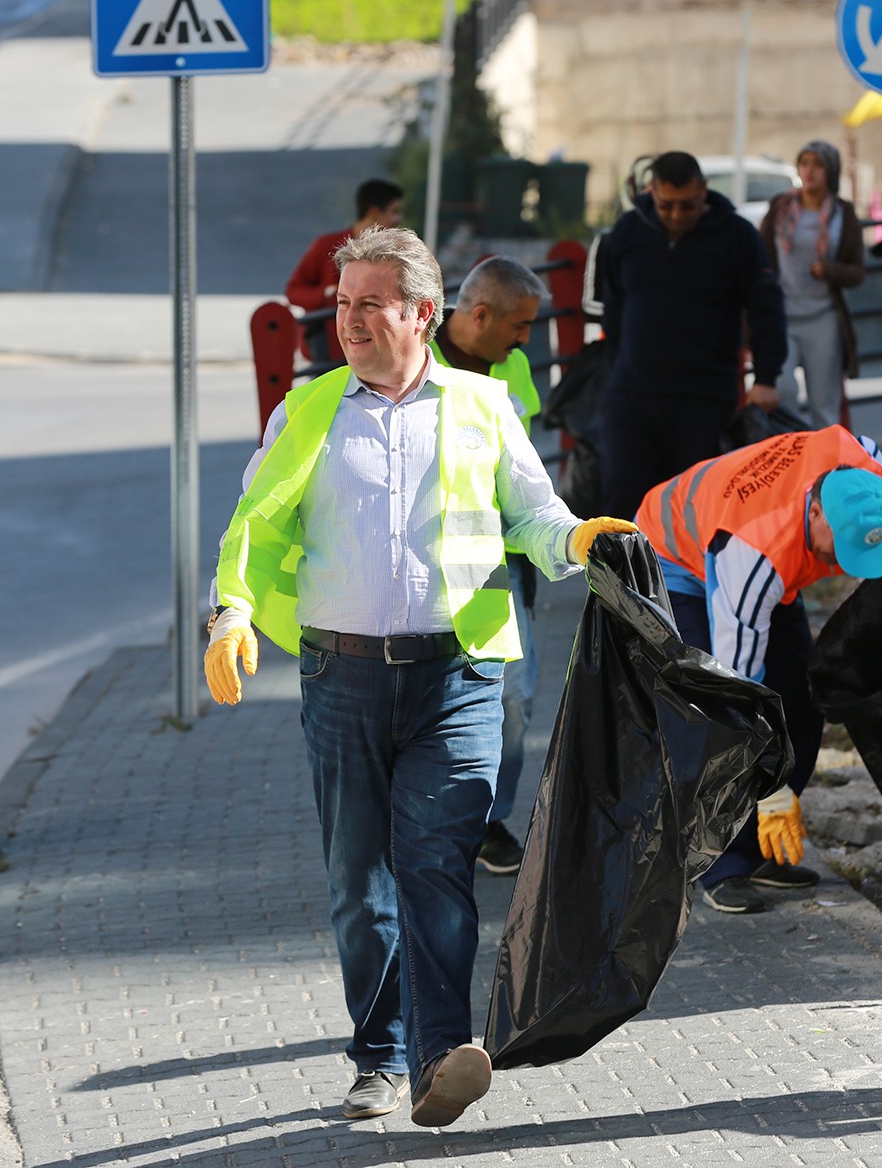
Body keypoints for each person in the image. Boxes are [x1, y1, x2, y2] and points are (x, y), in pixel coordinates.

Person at [205, 226, 636, 1128]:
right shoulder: (309, 412)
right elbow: (254, 523)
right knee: (359, 880)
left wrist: (580, 541)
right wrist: (233, 611)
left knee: (435, 867)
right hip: (341, 676)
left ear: (423, 314)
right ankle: (379, 1055)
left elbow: (535, 517)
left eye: (369, 303)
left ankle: (438, 1056)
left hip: (460, 677)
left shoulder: (482, 406)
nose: (348, 320)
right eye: (342, 303)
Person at [634, 426, 882, 914]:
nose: (841, 564)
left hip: (765, 549)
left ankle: (762, 847)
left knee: (803, 700)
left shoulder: (855, 458)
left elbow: (878, 462)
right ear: (815, 511)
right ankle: (719, 864)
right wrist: (769, 785)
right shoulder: (755, 557)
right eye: (839, 547)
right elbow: (733, 692)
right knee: (704, 720)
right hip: (674, 556)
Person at [429, 255, 549, 875]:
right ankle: (436, 816)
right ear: (480, 314)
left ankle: (487, 819)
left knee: (515, 699)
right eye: (520, 325)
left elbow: (520, 464)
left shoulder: (515, 367)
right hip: (426, 563)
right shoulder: (418, 364)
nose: (527, 338)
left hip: (498, 562)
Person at [595, 151, 788, 519]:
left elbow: (766, 307)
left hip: (704, 395)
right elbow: (614, 307)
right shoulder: (628, 232)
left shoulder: (736, 235)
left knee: (695, 505)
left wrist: (766, 377)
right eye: (667, 205)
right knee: (623, 500)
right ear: (651, 192)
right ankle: (621, 579)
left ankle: (688, 578)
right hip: (632, 394)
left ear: (704, 190)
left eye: (688, 205)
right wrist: (618, 365)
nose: (677, 214)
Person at [760, 140, 867, 430]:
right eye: (805, 163)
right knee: (781, 392)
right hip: (783, 317)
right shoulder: (780, 207)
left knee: (825, 407)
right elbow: (761, 259)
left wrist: (830, 271)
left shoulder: (842, 214)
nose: (810, 171)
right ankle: (793, 460)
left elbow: (858, 271)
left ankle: (828, 471)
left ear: (830, 171)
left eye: (818, 165)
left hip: (823, 317)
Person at [285, 178, 406, 362]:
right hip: (329, 357)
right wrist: (327, 295)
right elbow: (294, 291)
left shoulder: (398, 253)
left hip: (379, 355)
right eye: (394, 211)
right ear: (374, 212)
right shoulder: (326, 246)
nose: (399, 219)